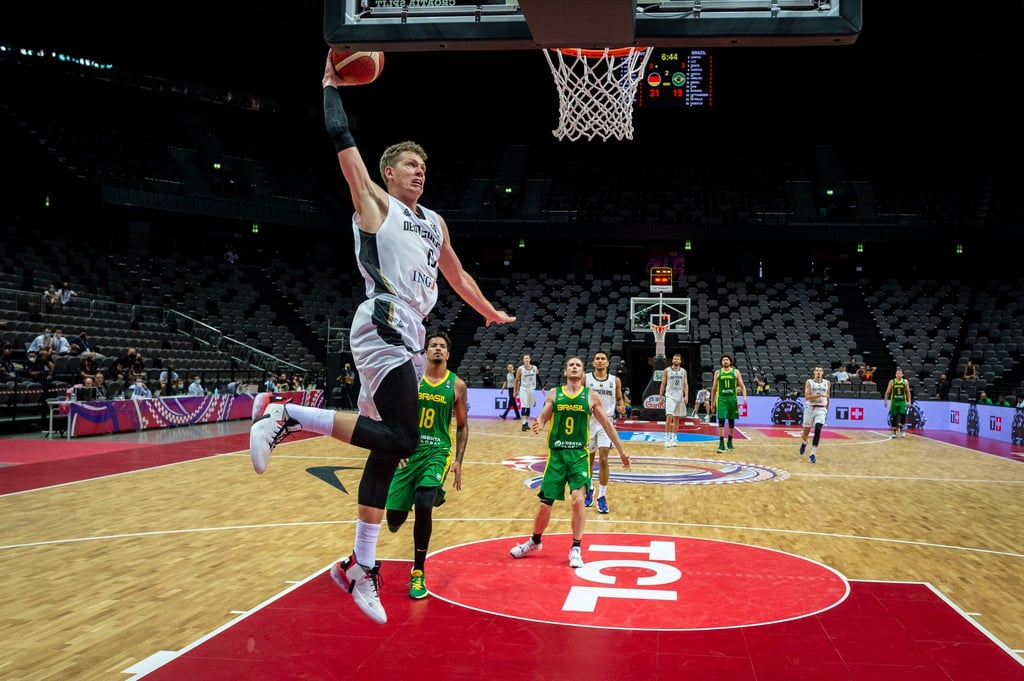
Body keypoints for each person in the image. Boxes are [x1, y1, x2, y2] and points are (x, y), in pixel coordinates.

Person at [248, 54, 515, 626]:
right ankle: (283, 416)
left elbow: (458, 275)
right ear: (388, 173)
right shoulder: (373, 201)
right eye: (410, 166)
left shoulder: (435, 222)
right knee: (406, 433)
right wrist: (328, 85)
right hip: (383, 319)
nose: (420, 172)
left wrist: (487, 310)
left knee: (388, 450)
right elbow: (340, 135)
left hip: (411, 335)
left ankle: (356, 567)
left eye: (424, 166)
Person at [509, 356, 630, 568]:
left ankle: (576, 547)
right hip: (556, 455)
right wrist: (539, 422)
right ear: (565, 372)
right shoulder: (555, 393)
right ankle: (535, 541)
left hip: (579, 456)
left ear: (582, 373)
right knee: (545, 507)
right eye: (571, 365)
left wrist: (621, 451)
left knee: (577, 500)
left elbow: (608, 425)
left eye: (578, 366)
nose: (574, 368)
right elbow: (545, 414)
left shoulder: (591, 396)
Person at [384, 331, 467, 600]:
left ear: (448, 354)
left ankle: (418, 572)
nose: (438, 349)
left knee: (423, 504)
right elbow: (393, 413)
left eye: (443, 346)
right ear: (425, 351)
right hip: (409, 450)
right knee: (394, 519)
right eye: (433, 345)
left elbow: (463, 426)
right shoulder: (412, 380)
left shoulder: (457, 385)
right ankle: (420, 494)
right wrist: (396, 447)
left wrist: (458, 460)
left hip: (438, 452)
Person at [584, 350, 625, 513]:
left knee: (603, 459)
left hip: (606, 422)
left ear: (608, 363)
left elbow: (619, 397)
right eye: (597, 359)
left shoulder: (615, 381)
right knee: (588, 460)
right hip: (589, 421)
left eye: (603, 359)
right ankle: (590, 488)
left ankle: (602, 496)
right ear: (593, 363)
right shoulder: (585, 378)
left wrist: (621, 404)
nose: (600, 361)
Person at [710, 354, 748, 453]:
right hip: (721, 398)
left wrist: (744, 397)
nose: (725, 361)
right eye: (723, 360)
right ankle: (721, 443)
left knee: (731, 421)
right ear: (721, 362)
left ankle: (730, 441)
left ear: (730, 362)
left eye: (727, 360)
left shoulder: (735, 372)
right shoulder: (718, 372)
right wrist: (712, 402)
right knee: (721, 420)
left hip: (732, 398)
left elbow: (742, 386)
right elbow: (714, 388)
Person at [799, 365, 831, 464]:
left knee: (818, 429)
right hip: (810, 409)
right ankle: (804, 443)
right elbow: (807, 397)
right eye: (817, 370)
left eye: (820, 371)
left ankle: (812, 454)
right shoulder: (809, 382)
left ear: (822, 373)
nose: (818, 372)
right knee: (805, 433)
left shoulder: (827, 383)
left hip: (821, 409)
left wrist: (827, 409)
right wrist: (818, 396)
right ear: (814, 372)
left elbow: (828, 397)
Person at [658, 353, 688, 448]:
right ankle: (667, 438)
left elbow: (685, 384)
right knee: (669, 416)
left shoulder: (683, 371)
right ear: (672, 360)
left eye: (678, 359)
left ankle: (674, 438)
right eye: (674, 359)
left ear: (680, 361)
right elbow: (663, 384)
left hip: (679, 396)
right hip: (670, 396)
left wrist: (686, 395)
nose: (676, 360)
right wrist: (660, 396)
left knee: (676, 418)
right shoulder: (667, 370)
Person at [883, 366, 912, 438]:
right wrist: (885, 401)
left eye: (900, 373)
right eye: (897, 373)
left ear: (902, 375)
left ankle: (902, 429)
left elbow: (908, 392)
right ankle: (894, 432)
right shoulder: (892, 382)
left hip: (902, 401)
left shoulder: (905, 382)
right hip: (894, 402)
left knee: (903, 414)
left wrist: (909, 401)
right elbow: (887, 392)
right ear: (895, 374)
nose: (899, 375)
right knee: (894, 417)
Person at [514, 353, 540, 432]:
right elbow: (516, 380)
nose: (526, 360)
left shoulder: (534, 368)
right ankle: (523, 424)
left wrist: (541, 387)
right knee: (524, 406)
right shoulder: (520, 369)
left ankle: (526, 423)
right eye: (525, 358)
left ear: (530, 359)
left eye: (528, 358)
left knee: (529, 407)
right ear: (523, 360)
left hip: (531, 389)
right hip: (523, 389)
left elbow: (538, 377)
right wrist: (515, 391)